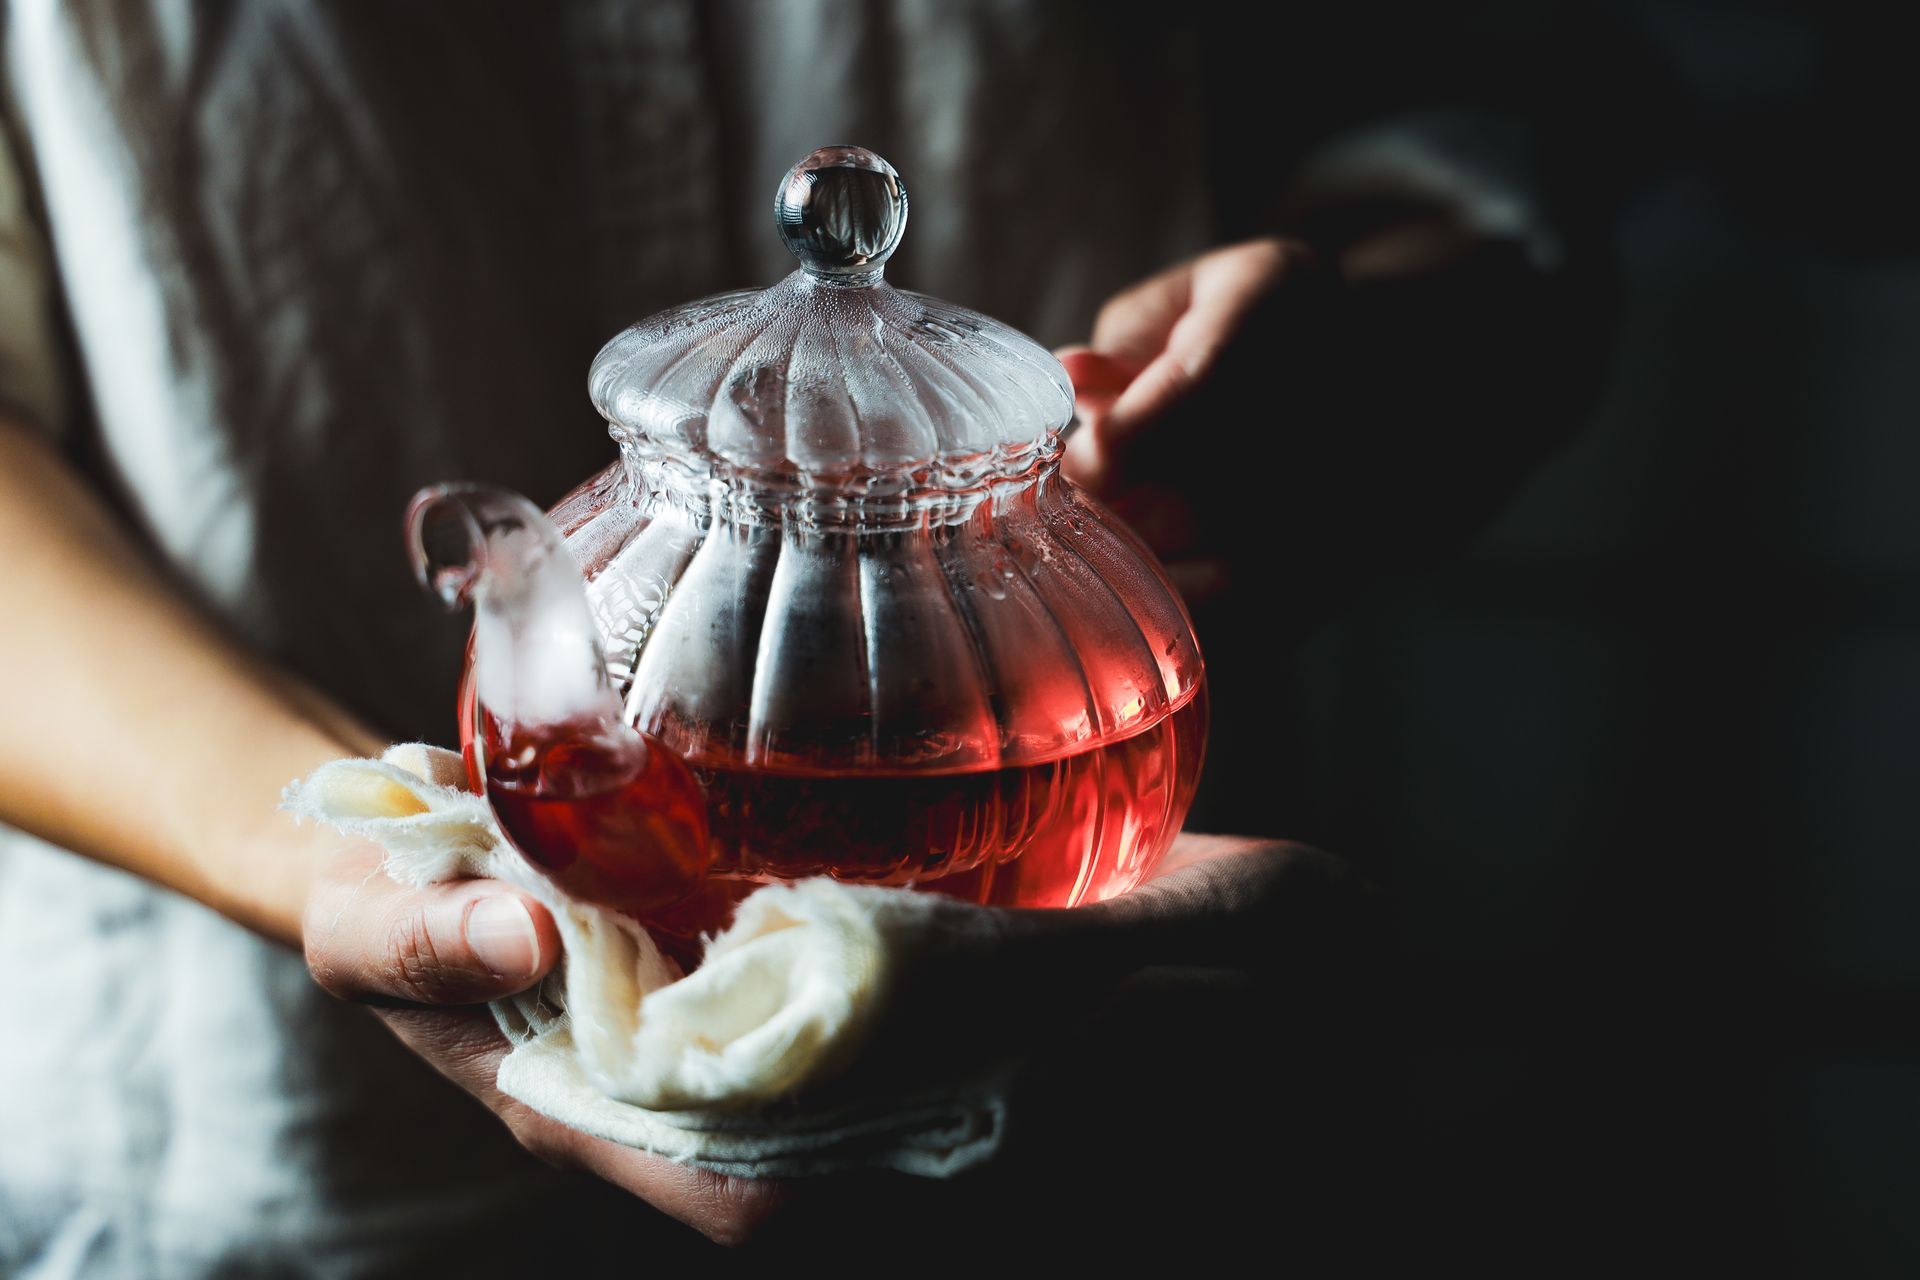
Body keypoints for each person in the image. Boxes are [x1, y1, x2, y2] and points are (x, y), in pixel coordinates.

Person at [0, 1, 1602, 1269]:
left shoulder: (1022, 472)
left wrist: (1362, 366)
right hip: (285, 1166)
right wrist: (322, 863)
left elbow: (1466, 124)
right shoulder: (600, 534)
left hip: (1104, 1118)